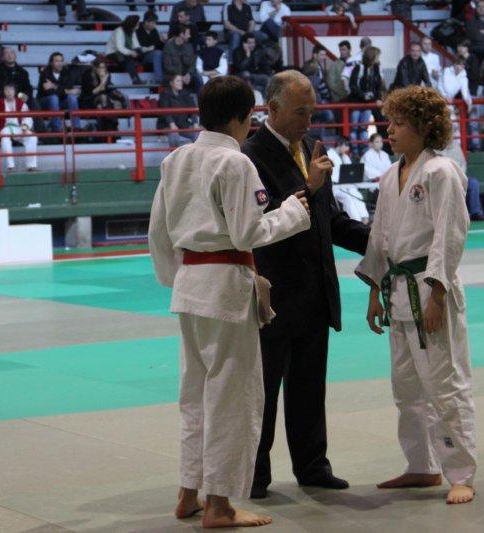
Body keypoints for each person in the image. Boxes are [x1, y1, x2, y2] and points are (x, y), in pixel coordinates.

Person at [148, 74, 312, 529]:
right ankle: (218, 505)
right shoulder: (235, 162)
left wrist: (177, 280)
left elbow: (158, 232)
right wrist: (292, 212)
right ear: (244, 117)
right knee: (231, 397)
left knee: (195, 395)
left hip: (190, 285)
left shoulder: (175, 160)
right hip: (224, 288)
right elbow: (247, 233)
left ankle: (189, 492)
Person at [241, 70, 370, 499]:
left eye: (312, 112)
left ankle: (313, 466)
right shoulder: (249, 156)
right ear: (273, 109)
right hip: (273, 293)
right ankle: (254, 475)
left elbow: (328, 218)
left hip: (315, 289)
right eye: (300, 112)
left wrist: (378, 241)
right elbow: (261, 224)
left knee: (310, 387)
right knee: (264, 391)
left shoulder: (312, 150)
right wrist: (309, 185)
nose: (308, 121)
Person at [355, 85, 476, 506]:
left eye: (399, 123)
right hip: (398, 292)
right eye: (389, 121)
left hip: (428, 288)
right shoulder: (391, 175)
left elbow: (450, 233)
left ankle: (461, 473)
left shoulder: (441, 172)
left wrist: (438, 294)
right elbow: (380, 237)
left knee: (444, 384)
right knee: (406, 388)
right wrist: (375, 290)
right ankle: (421, 465)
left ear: (425, 127)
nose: (389, 130)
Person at [0, 82, 39, 172]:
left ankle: (31, 165)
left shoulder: (20, 103)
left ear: (15, 91)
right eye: (6, 89)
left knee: (32, 137)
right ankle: (10, 166)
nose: (9, 92)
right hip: (5, 128)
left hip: (18, 128)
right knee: (5, 137)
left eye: (11, 89)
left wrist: (25, 127)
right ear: (3, 92)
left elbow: (27, 117)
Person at [348, 46, 386, 155]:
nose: (379, 59)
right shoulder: (359, 67)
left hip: (368, 103)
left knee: (364, 128)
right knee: (354, 128)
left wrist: (377, 98)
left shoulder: (376, 69)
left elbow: (378, 86)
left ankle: (364, 150)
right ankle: (355, 152)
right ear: (372, 57)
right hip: (356, 103)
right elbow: (353, 85)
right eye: (377, 56)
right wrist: (362, 95)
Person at [37, 52, 82, 133]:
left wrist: (54, 86)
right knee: (54, 98)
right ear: (51, 63)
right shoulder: (45, 73)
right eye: (57, 61)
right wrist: (65, 90)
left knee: (72, 98)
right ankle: (57, 128)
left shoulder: (66, 72)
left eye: (61, 61)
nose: (60, 64)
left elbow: (69, 88)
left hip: (61, 100)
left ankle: (76, 127)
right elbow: (49, 92)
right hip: (45, 101)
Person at [80, 59, 128, 135]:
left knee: (106, 103)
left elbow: (106, 90)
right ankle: (111, 131)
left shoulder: (107, 74)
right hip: (89, 100)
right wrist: (103, 80)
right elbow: (94, 91)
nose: (102, 70)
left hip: (104, 101)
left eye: (103, 67)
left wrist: (104, 79)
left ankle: (109, 131)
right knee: (103, 100)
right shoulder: (88, 75)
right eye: (100, 67)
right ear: (94, 68)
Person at [327, 137, 369, 223]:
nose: (348, 148)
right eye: (346, 146)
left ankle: (364, 218)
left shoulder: (345, 156)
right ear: (339, 144)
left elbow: (350, 171)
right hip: (334, 187)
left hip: (346, 185)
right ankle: (356, 221)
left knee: (357, 195)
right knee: (348, 198)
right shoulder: (329, 155)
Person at [159, 74, 198, 147]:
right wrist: (172, 124)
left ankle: (196, 154)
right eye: (178, 81)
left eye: (181, 81)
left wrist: (195, 123)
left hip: (183, 124)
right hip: (168, 124)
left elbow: (193, 110)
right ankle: (174, 154)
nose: (181, 83)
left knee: (197, 135)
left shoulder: (185, 93)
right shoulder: (165, 94)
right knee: (174, 136)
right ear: (171, 83)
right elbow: (165, 111)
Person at [106, 15, 144, 85]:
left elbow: (136, 45)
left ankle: (138, 75)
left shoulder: (132, 31)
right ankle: (135, 79)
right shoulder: (119, 31)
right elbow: (119, 47)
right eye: (137, 24)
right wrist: (131, 52)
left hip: (126, 52)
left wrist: (139, 51)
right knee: (128, 58)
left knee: (140, 53)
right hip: (113, 53)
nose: (138, 26)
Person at [163, 26, 198, 91]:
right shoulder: (168, 46)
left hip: (187, 75)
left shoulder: (189, 46)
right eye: (188, 34)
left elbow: (193, 63)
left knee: (198, 78)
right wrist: (180, 76)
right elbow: (168, 66)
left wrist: (188, 74)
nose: (189, 36)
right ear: (181, 34)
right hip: (173, 74)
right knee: (174, 80)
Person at [137, 10, 164, 85]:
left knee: (166, 52)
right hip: (142, 56)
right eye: (153, 23)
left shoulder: (154, 31)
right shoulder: (138, 30)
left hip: (152, 54)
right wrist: (154, 46)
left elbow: (158, 45)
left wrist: (162, 41)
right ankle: (159, 80)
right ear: (146, 22)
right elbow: (141, 46)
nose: (155, 25)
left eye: (155, 23)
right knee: (157, 53)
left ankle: (171, 79)